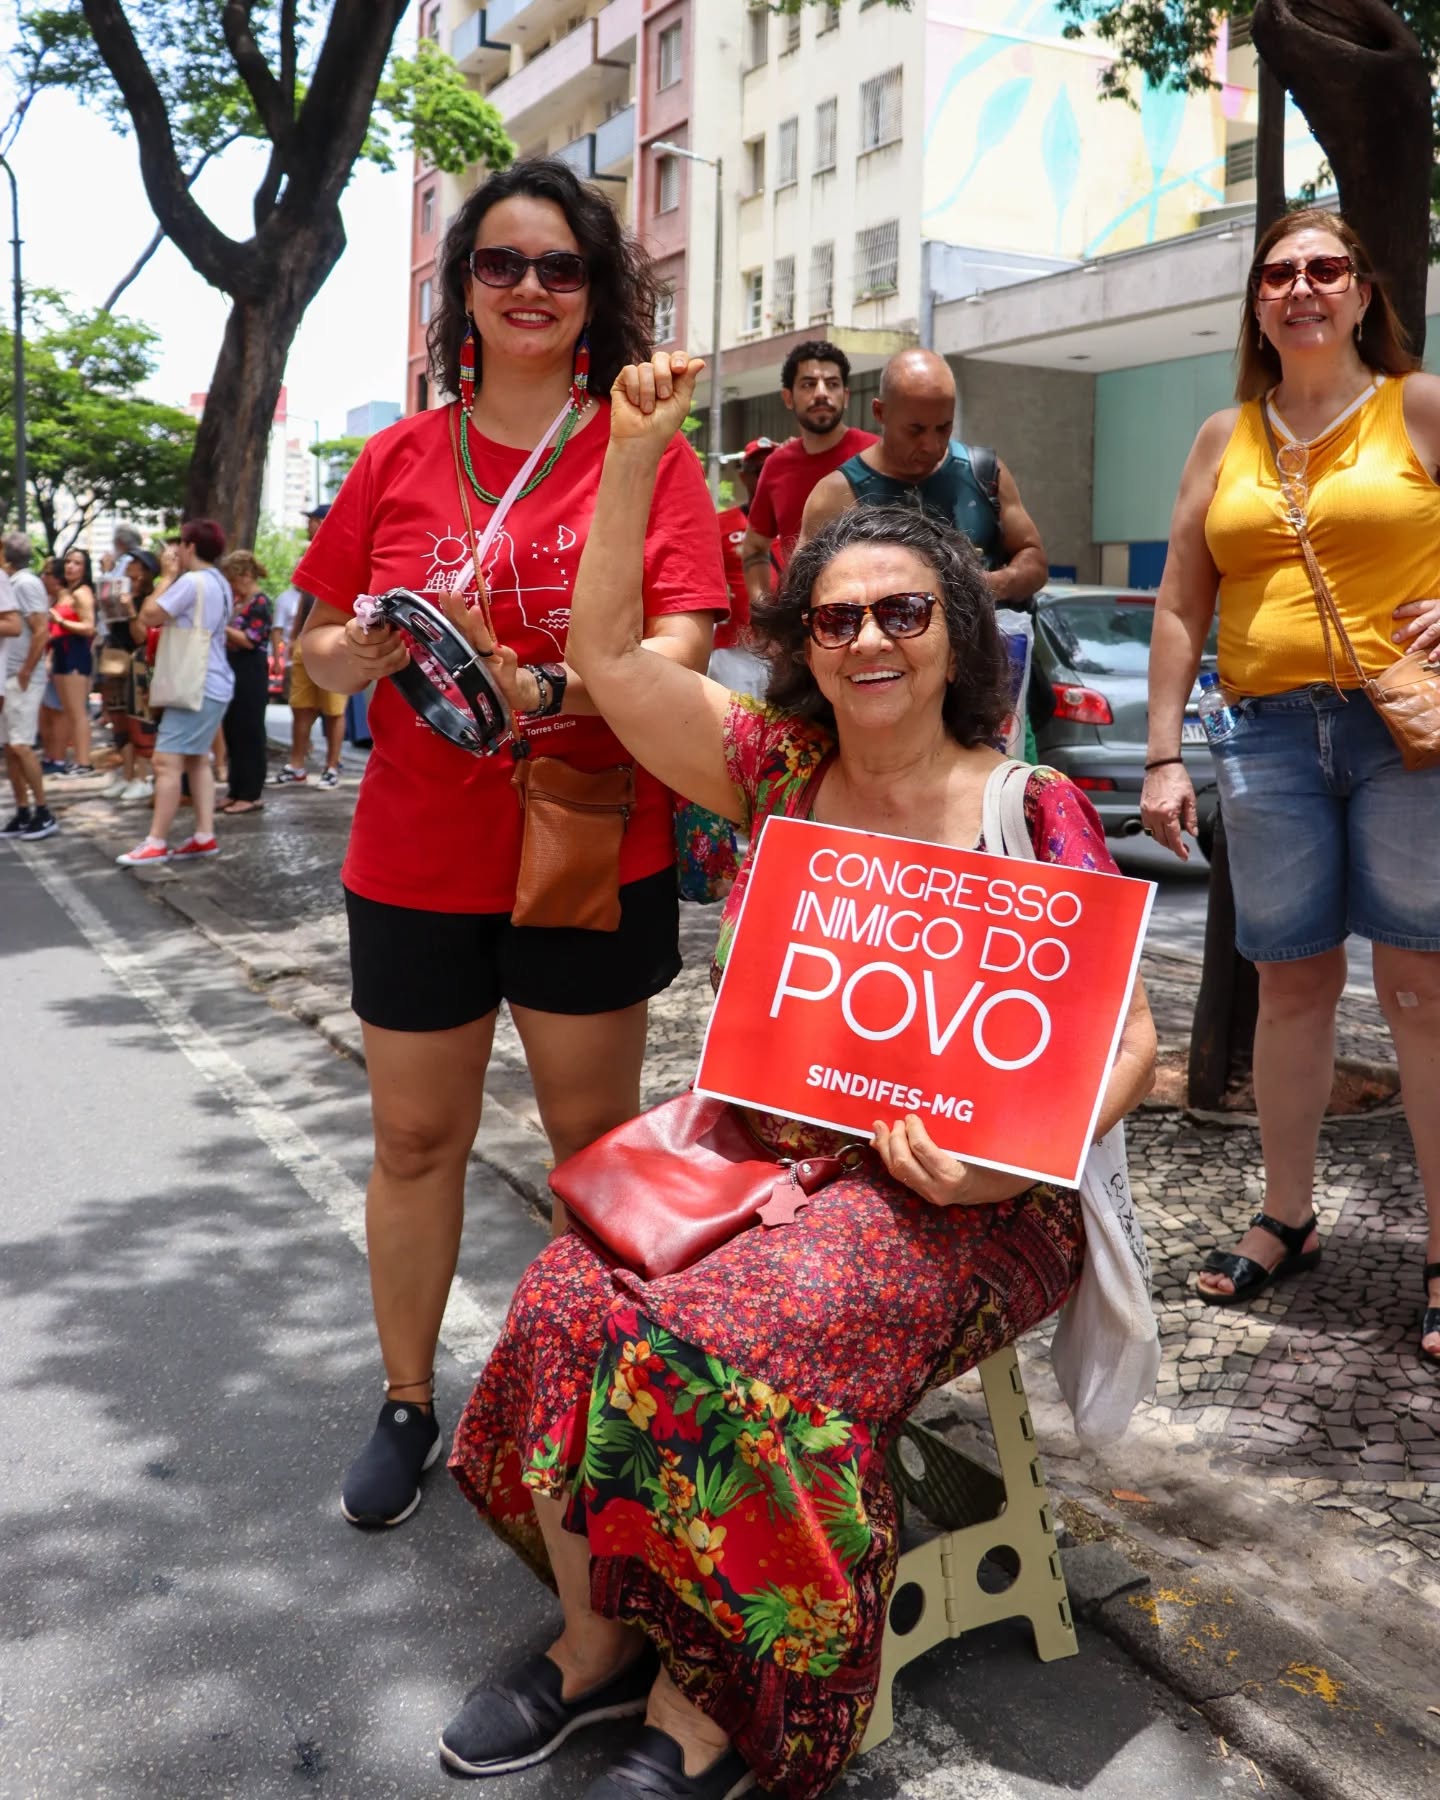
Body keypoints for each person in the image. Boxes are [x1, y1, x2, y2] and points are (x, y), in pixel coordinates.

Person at [436, 351, 1156, 1800]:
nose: (870, 638)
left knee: (737, 1343)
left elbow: (1126, 1041)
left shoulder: (1035, 807)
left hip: (976, 1200)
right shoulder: (776, 774)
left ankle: (715, 1706)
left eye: (904, 611)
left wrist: (1009, 1157)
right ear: (806, 646)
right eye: (838, 618)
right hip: (767, 1163)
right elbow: (611, 663)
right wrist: (632, 452)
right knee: (569, 1296)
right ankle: (596, 1641)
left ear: (956, 634)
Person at [291, 157, 727, 1532]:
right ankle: (407, 1400)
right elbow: (312, 655)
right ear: (461, 290)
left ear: (596, 293)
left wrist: (545, 685)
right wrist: (355, 653)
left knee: (591, 1144)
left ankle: (580, 1409)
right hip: (415, 856)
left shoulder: (644, 452)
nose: (530, 287)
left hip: (591, 844)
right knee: (416, 1137)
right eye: (500, 263)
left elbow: (682, 648)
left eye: (560, 267)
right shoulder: (397, 459)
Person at [1139, 208, 1440, 1360]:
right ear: (1257, 306)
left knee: (1420, 990)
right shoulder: (1224, 436)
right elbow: (1182, 601)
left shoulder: (1418, 406)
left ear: (1362, 294)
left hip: (1402, 730)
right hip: (1262, 736)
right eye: (1278, 275)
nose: (1301, 288)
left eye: (1324, 269)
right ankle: (1287, 1215)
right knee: (1292, 988)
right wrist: (1163, 753)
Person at [799, 350, 1048, 604]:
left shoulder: (985, 473)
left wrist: (990, 585)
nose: (931, 445)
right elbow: (801, 595)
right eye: (915, 430)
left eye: (943, 428)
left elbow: (1034, 558)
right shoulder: (835, 496)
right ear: (880, 412)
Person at [116, 518, 234, 868]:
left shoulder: (192, 581)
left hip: (193, 682)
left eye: (180, 544)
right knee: (197, 760)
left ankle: (155, 841)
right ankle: (203, 835)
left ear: (190, 547)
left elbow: (149, 615)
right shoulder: (219, 581)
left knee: (165, 761)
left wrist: (167, 576)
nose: (175, 550)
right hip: (213, 680)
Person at [739, 341, 877, 607]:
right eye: (808, 384)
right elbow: (754, 547)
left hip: (870, 615)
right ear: (788, 397)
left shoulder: (876, 454)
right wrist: (764, 613)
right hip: (799, 619)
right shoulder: (776, 465)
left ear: (846, 395)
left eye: (832, 384)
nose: (821, 393)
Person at [271, 504, 346, 789]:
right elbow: (305, 598)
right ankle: (296, 765)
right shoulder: (312, 553)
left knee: (334, 710)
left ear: (324, 522)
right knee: (300, 707)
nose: (308, 526)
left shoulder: (342, 550)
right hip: (304, 640)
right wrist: (293, 637)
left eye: (312, 520)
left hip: (334, 641)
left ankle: (332, 767)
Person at [710, 436, 778, 698]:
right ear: (743, 477)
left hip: (788, 650)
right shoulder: (720, 524)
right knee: (734, 720)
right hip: (735, 651)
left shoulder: (799, 519)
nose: (766, 477)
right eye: (759, 470)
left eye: (773, 469)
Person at [0, 533, 57, 840]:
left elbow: (41, 630)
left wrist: (25, 670)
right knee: (10, 747)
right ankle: (23, 811)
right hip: (9, 675)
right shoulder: (13, 583)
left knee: (21, 745)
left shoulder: (25, 584)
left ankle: (43, 812)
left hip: (23, 676)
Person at [218, 550, 272, 814]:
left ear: (246, 575)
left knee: (249, 731)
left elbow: (251, 639)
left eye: (233, 579)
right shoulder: (240, 602)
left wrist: (221, 627)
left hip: (251, 669)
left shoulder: (261, 602)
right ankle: (235, 788)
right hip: (233, 667)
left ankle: (251, 792)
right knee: (233, 730)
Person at [49, 547, 98, 778]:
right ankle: (78, 760)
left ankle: (84, 761)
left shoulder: (82, 593)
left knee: (77, 712)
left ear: (85, 568)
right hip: (62, 652)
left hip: (75, 652)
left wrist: (61, 621)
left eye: (77, 563)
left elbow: (89, 627)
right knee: (69, 711)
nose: (70, 566)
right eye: (68, 561)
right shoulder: (67, 592)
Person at [119, 550, 162, 802]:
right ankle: (130, 774)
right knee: (126, 720)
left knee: (141, 718)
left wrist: (129, 610)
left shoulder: (150, 598)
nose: (129, 565)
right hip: (126, 661)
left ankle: (144, 777)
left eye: (135, 562)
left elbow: (141, 636)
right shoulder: (128, 593)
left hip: (144, 662)